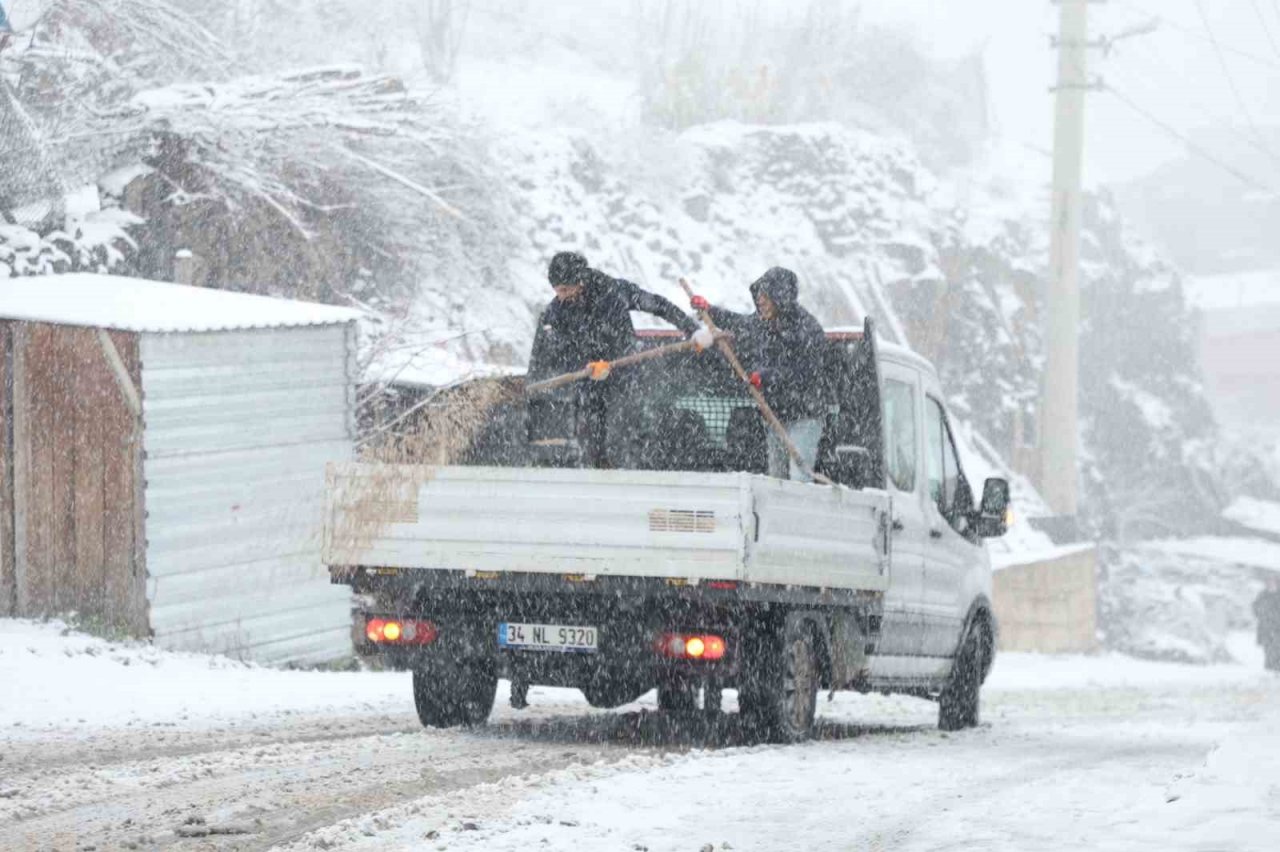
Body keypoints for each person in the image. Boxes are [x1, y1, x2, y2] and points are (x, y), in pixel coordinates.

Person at [527, 251, 708, 467]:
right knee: (591, 430)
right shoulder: (555, 313)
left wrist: (692, 329)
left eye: (565, 289)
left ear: (580, 282)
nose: (561, 296)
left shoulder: (613, 291)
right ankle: (598, 469)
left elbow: (658, 305)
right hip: (588, 379)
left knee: (628, 426)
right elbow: (551, 354)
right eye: (557, 291)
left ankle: (633, 468)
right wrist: (582, 366)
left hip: (626, 371)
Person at [689, 266, 828, 481]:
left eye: (766, 295)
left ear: (780, 297)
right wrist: (709, 310)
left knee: (799, 478)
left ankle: (797, 513)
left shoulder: (808, 329)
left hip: (805, 417)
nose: (760, 301)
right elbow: (739, 322)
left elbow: (804, 373)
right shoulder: (761, 324)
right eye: (758, 296)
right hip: (775, 416)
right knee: (776, 480)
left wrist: (766, 376)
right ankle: (777, 515)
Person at [1255, 573, 1280, 672]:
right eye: (1269, 581)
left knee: (1277, 649)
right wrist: (1261, 613)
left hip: (1277, 629)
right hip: (1265, 629)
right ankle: (1269, 669)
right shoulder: (1262, 594)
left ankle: (1276, 669)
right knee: (1267, 650)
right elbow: (1255, 607)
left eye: (1273, 581)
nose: (1271, 583)